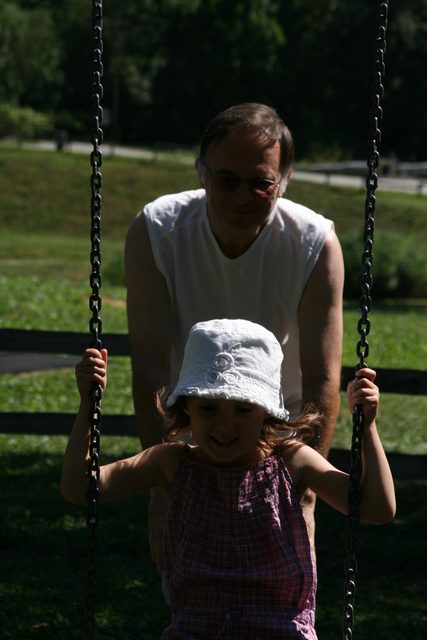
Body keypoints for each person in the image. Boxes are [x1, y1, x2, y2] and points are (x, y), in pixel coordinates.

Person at [62, 318, 396, 640]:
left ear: (265, 412)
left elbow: (377, 508)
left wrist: (366, 427)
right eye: (208, 408)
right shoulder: (171, 463)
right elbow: (80, 488)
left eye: (243, 410)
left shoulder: (292, 461)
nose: (224, 426)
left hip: (280, 632)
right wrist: (88, 405)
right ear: (187, 406)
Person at [125, 102, 345, 565]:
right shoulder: (158, 230)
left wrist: (304, 493)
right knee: (189, 587)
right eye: (226, 180)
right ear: (201, 172)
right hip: (191, 429)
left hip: (278, 434)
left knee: (280, 590)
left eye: (261, 183)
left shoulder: (313, 242)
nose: (243, 196)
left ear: (284, 181)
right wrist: (163, 481)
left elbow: (322, 377)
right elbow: (149, 364)